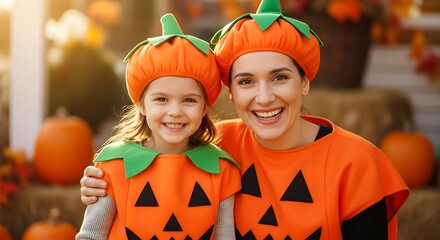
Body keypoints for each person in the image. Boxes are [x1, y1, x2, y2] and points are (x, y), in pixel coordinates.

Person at [80, 0, 410, 239]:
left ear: (305, 81)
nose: (264, 97)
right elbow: (147, 173)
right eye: (247, 81)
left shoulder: (356, 163)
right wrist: (100, 182)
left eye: (280, 77)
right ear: (230, 92)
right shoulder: (213, 147)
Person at [76, 13, 241, 240]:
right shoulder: (115, 165)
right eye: (161, 99)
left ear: (205, 108)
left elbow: (225, 236)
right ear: (141, 104)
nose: (175, 111)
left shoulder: (220, 168)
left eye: (189, 100)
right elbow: (91, 235)